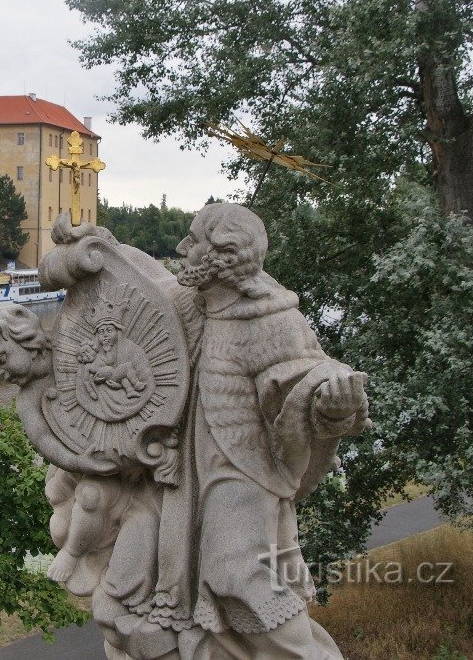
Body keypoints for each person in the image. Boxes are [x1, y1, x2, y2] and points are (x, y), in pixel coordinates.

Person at [141, 203, 370, 659]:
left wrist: (335, 403)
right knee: (188, 575)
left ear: (222, 256)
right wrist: (94, 250)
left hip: (244, 471)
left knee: (233, 573)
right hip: (188, 469)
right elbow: (144, 285)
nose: (182, 249)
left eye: (192, 240)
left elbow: (310, 380)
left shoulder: (274, 320)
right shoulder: (192, 305)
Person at [0, 305, 127, 587]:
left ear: (24, 338)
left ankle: (72, 554)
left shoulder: (70, 346)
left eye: (0, 359)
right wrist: (78, 462)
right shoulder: (27, 398)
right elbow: (42, 440)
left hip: (112, 450)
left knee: (90, 497)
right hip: (75, 461)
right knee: (59, 518)